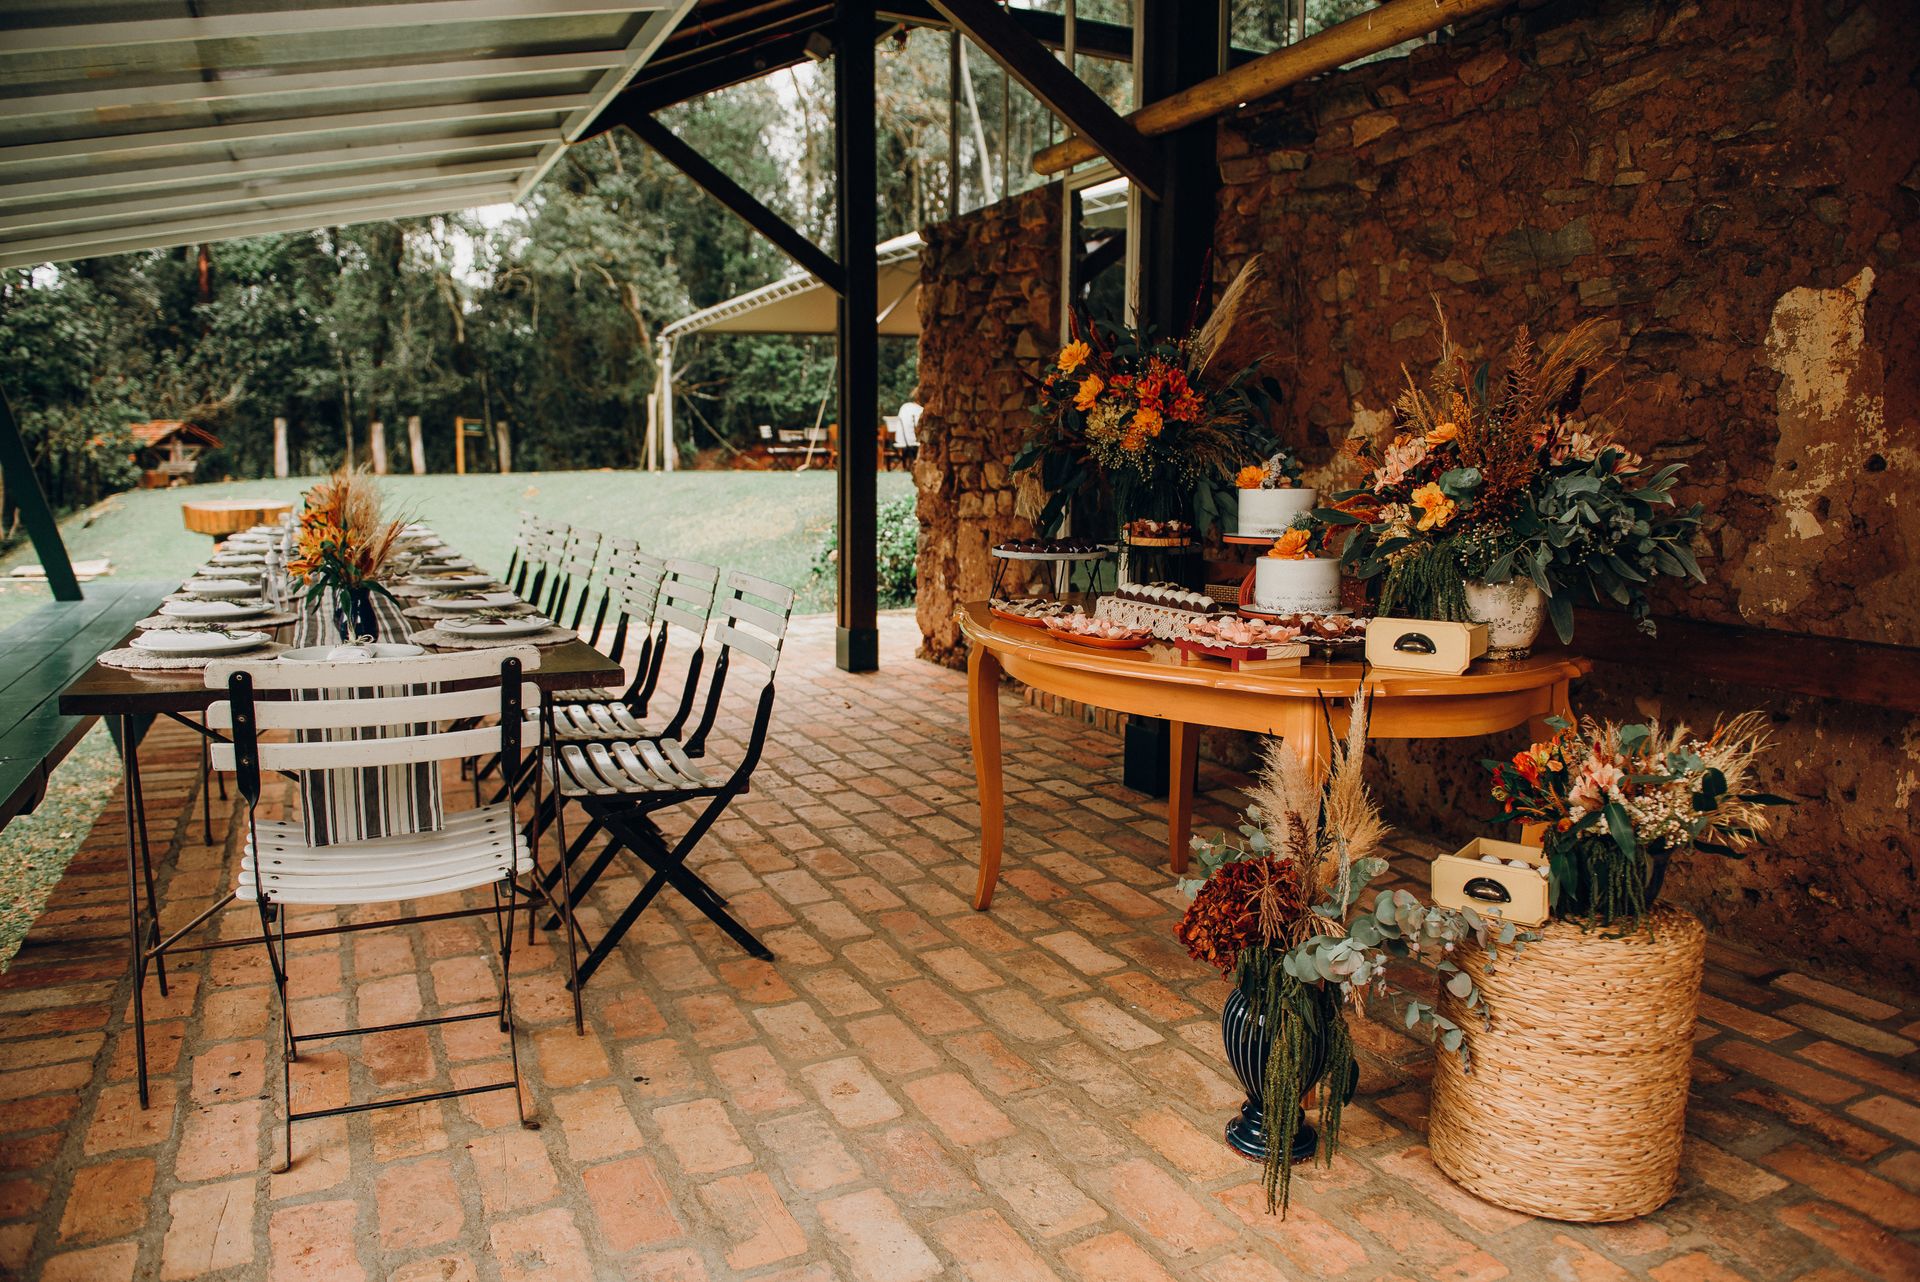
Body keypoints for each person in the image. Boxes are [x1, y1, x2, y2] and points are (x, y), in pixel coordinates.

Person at [894, 387, 923, 451]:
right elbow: (919, 427)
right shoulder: (920, 410)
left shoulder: (904, 406)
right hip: (912, 443)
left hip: (899, 440)